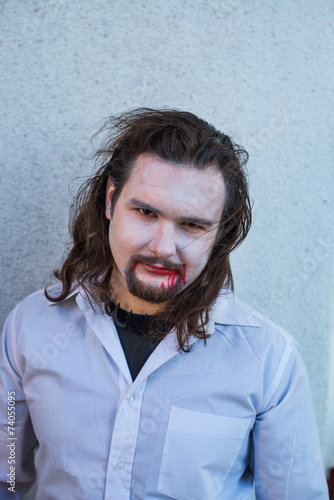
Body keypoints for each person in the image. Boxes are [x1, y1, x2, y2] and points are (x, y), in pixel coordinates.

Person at [0, 108, 329, 500]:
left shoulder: (270, 361)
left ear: (219, 232)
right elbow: (8, 476)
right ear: (110, 201)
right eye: (145, 212)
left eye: (192, 224)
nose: (162, 247)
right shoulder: (31, 327)